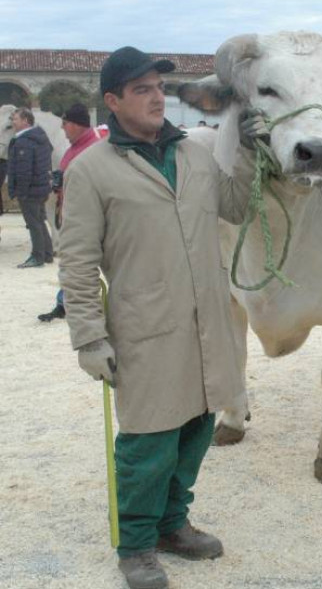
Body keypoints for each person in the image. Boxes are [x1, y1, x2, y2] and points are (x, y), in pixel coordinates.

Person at [58, 46, 255, 589]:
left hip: (207, 321)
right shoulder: (92, 169)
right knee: (147, 442)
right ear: (113, 101)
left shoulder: (193, 153)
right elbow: (76, 262)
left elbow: (237, 206)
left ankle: (173, 524)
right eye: (141, 89)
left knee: (195, 427)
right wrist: (89, 340)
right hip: (144, 325)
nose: (155, 97)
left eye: (158, 88)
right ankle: (137, 544)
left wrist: (252, 148)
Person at [37, 103, 109, 322]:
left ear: (76, 124)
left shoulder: (95, 147)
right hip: (73, 214)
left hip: (92, 218)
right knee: (71, 265)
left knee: (84, 264)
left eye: (65, 123)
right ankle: (64, 302)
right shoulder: (74, 147)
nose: (63, 129)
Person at [7, 107, 54, 267]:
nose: (13, 122)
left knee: (34, 223)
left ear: (26, 121)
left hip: (30, 190)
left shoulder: (24, 142)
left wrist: (21, 192)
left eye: (15, 119)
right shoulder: (40, 137)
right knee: (40, 221)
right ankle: (47, 254)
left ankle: (37, 257)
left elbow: (23, 171)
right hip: (40, 188)